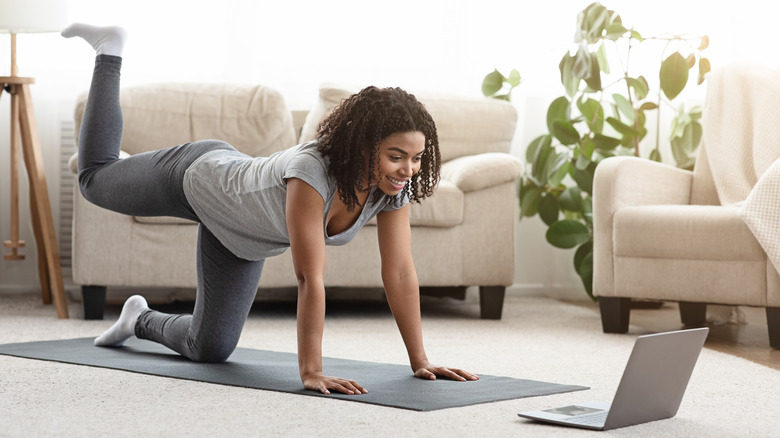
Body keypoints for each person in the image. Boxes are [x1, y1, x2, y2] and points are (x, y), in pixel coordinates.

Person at [61, 23, 478, 396]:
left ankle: (137, 318)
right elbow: (309, 277)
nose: (408, 170)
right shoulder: (312, 172)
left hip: (239, 236)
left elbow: (400, 272)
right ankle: (109, 51)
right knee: (94, 180)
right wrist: (312, 371)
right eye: (396, 156)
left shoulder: (390, 189)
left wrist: (420, 360)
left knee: (209, 349)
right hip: (199, 177)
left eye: (417, 158)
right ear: (364, 147)